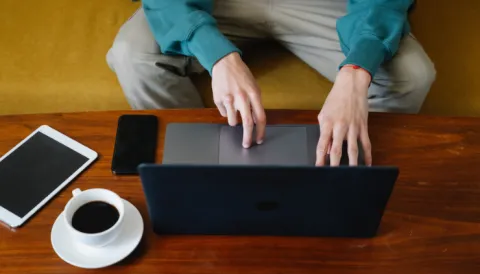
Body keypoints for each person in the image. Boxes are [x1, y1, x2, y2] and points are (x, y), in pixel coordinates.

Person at [107, 0, 435, 167]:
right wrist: (218, 55)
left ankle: (343, 176)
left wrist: (357, 69)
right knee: (132, 56)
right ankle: (194, 171)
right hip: (216, 3)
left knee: (411, 76)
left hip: (327, 6)